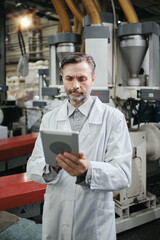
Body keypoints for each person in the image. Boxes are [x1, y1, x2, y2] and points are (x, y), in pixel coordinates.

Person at [27, 52, 132, 240]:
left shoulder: (113, 118)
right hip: (57, 213)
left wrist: (88, 170)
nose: (75, 86)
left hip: (93, 219)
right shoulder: (50, 118)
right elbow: (32, 164)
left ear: (92, 79)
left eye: (82, 78)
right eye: (69, 78)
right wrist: (51, 166)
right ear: (62, 79)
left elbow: (123, 174)